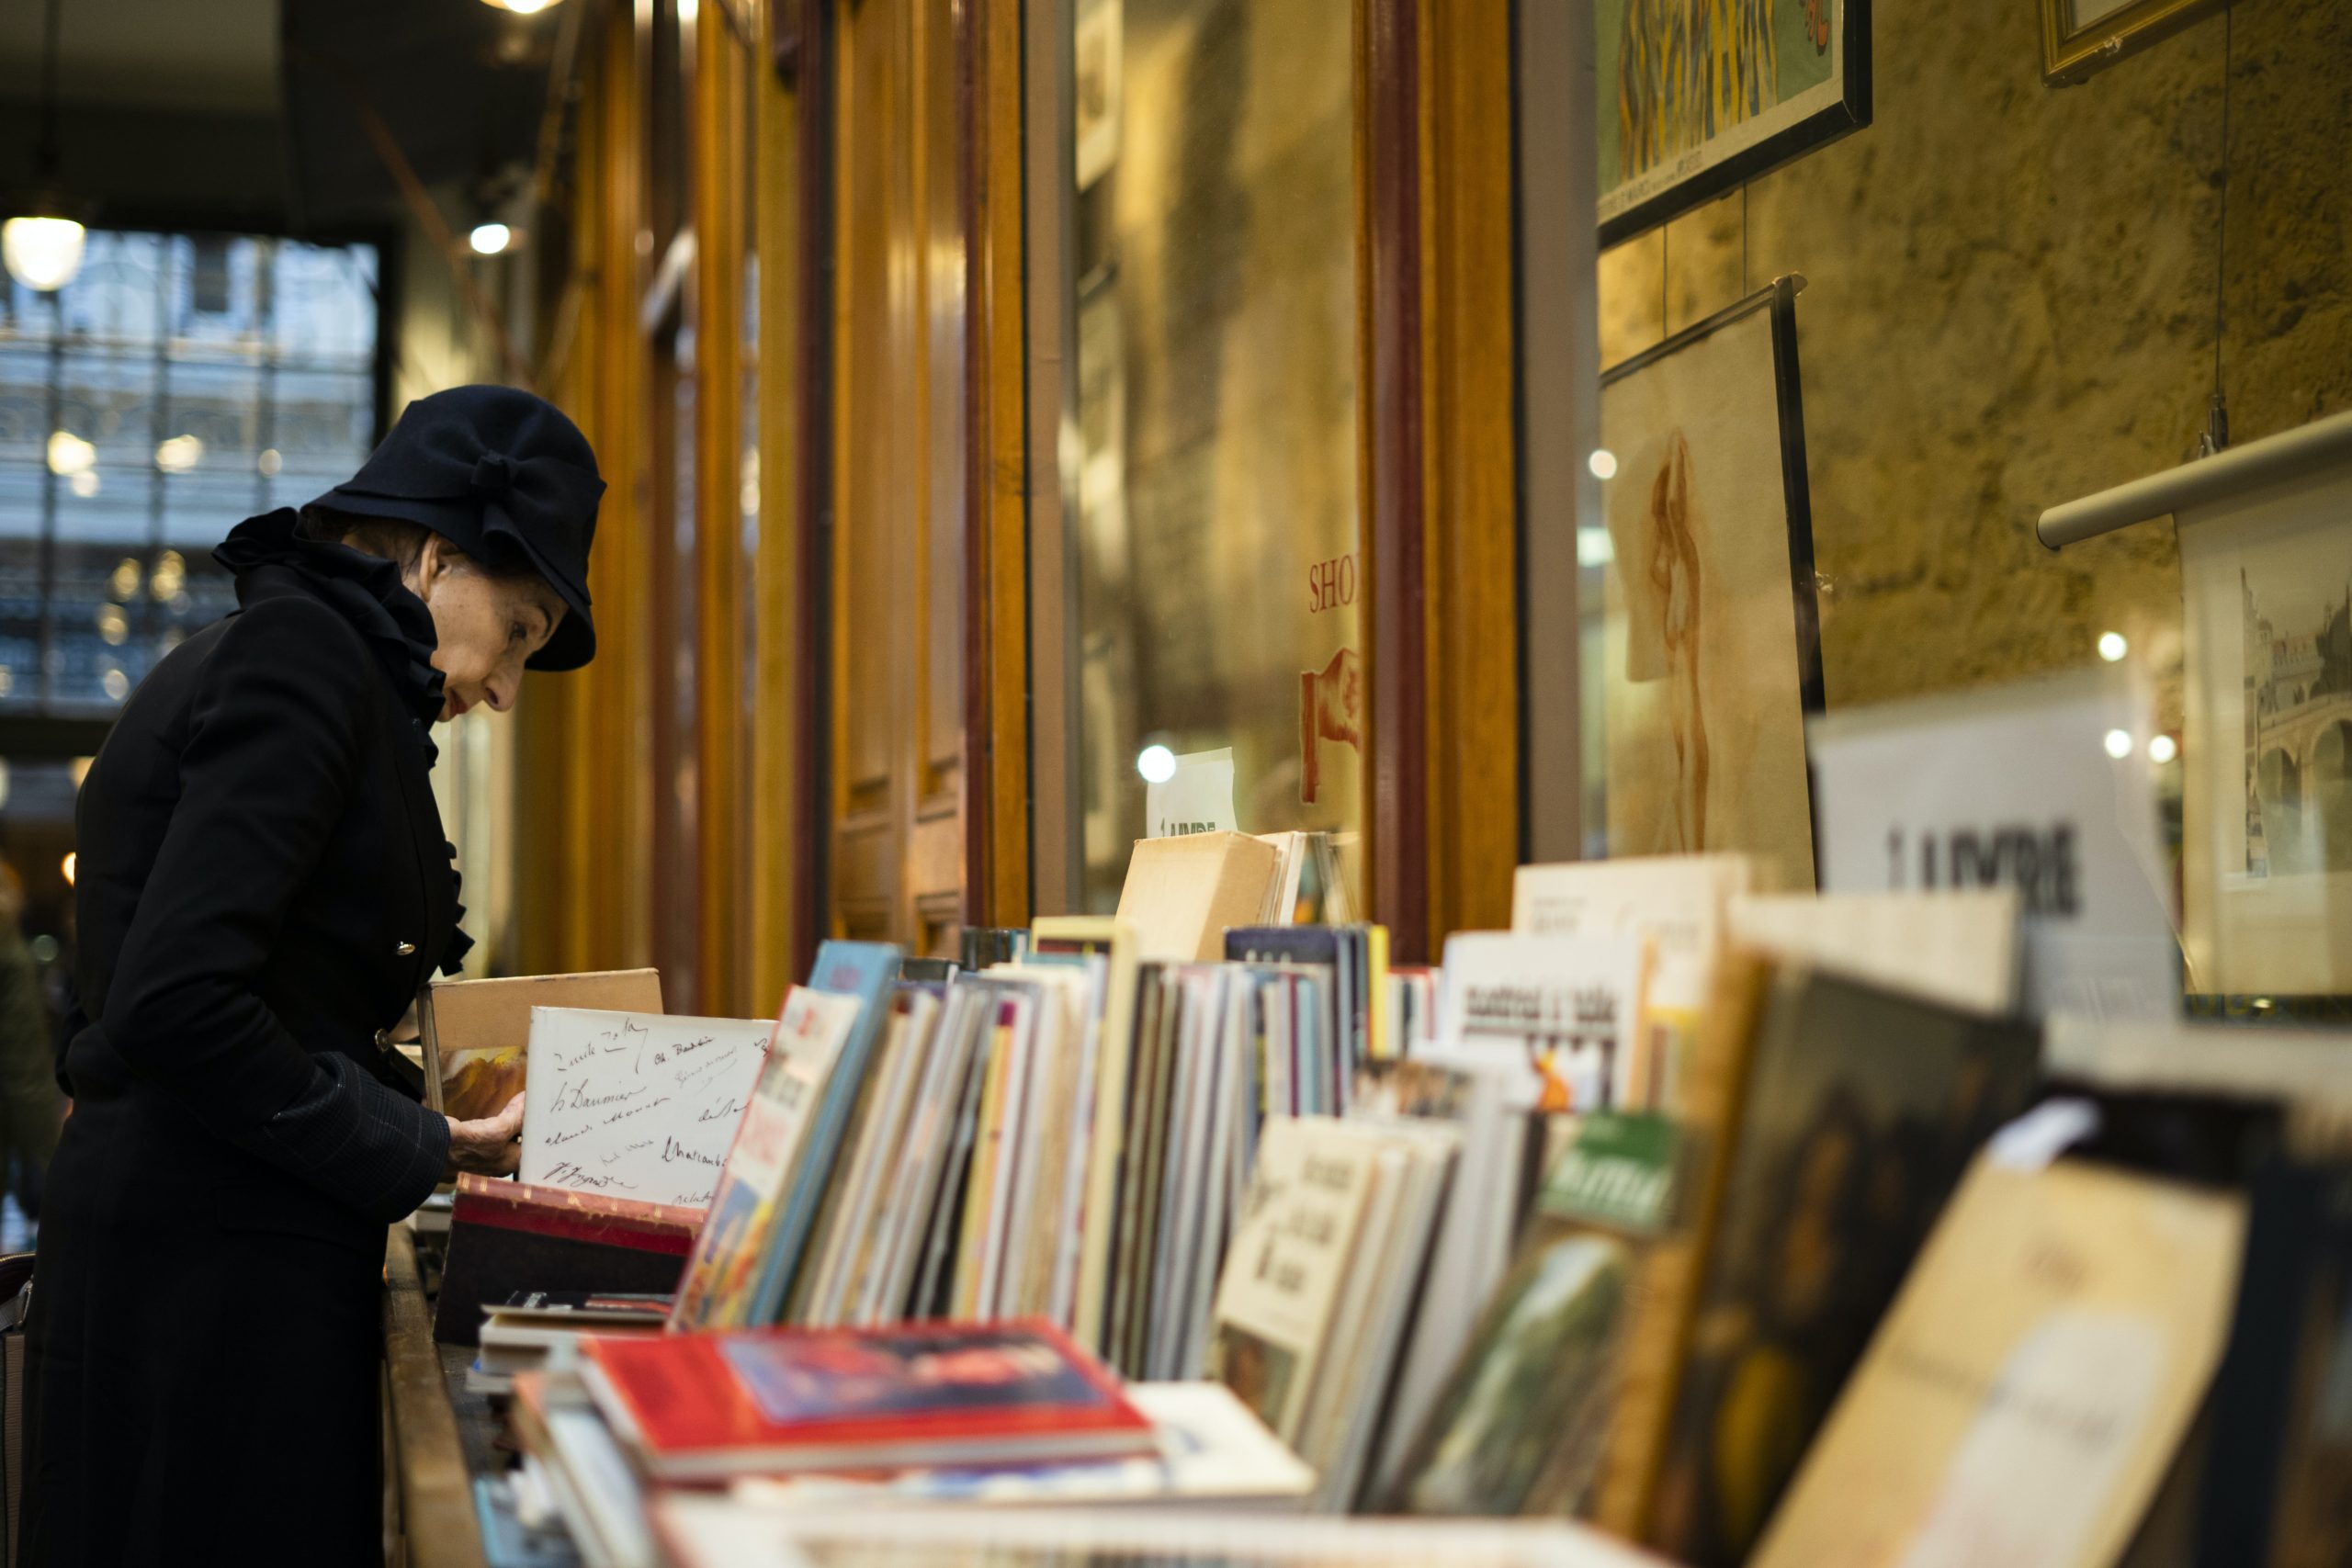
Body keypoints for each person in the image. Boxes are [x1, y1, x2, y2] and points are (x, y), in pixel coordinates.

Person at [22, 386, 605, 1565]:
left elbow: (257, 999)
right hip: (210, 1297)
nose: (503, 689)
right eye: (523, 634)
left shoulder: (312, 661)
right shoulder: (305, 662)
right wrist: (427, 1146)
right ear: (439, 556)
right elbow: (179, 1005)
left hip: (199, 1264)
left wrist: (431, 1111)